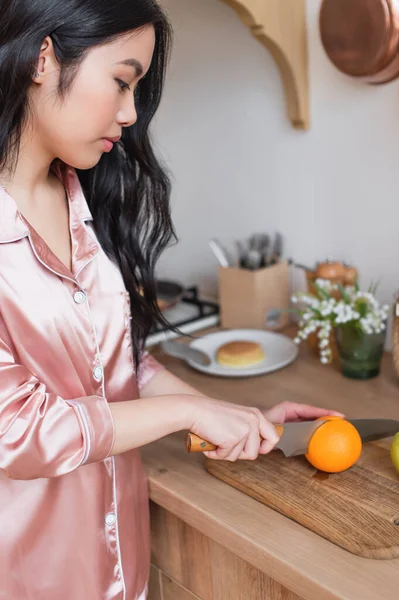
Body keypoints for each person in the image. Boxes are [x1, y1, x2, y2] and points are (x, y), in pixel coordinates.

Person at [0, 1, 343, 598]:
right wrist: (187, 415)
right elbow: (17, 431)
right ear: (43, 56)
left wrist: (232, 418)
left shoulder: (84, 196)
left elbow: (116, 365)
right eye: (120, 81)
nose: (131, 114)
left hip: (121, 569)